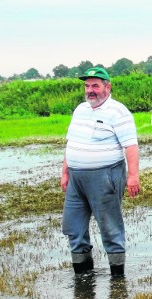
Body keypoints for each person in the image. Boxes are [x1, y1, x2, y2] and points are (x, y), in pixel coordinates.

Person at [61, 67, 140, 277]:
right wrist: (65, 173)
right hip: (76, 179)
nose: (90, 90)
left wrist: (133, 176)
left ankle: (117, 278)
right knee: (74, 228)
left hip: (105, 177)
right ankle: (83, 276)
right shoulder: (80, 110)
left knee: (110, 228)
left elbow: (130, 146)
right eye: (87, 86)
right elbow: (72, 142)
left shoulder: (118, 112)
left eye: (95, 85)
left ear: (107, 86)